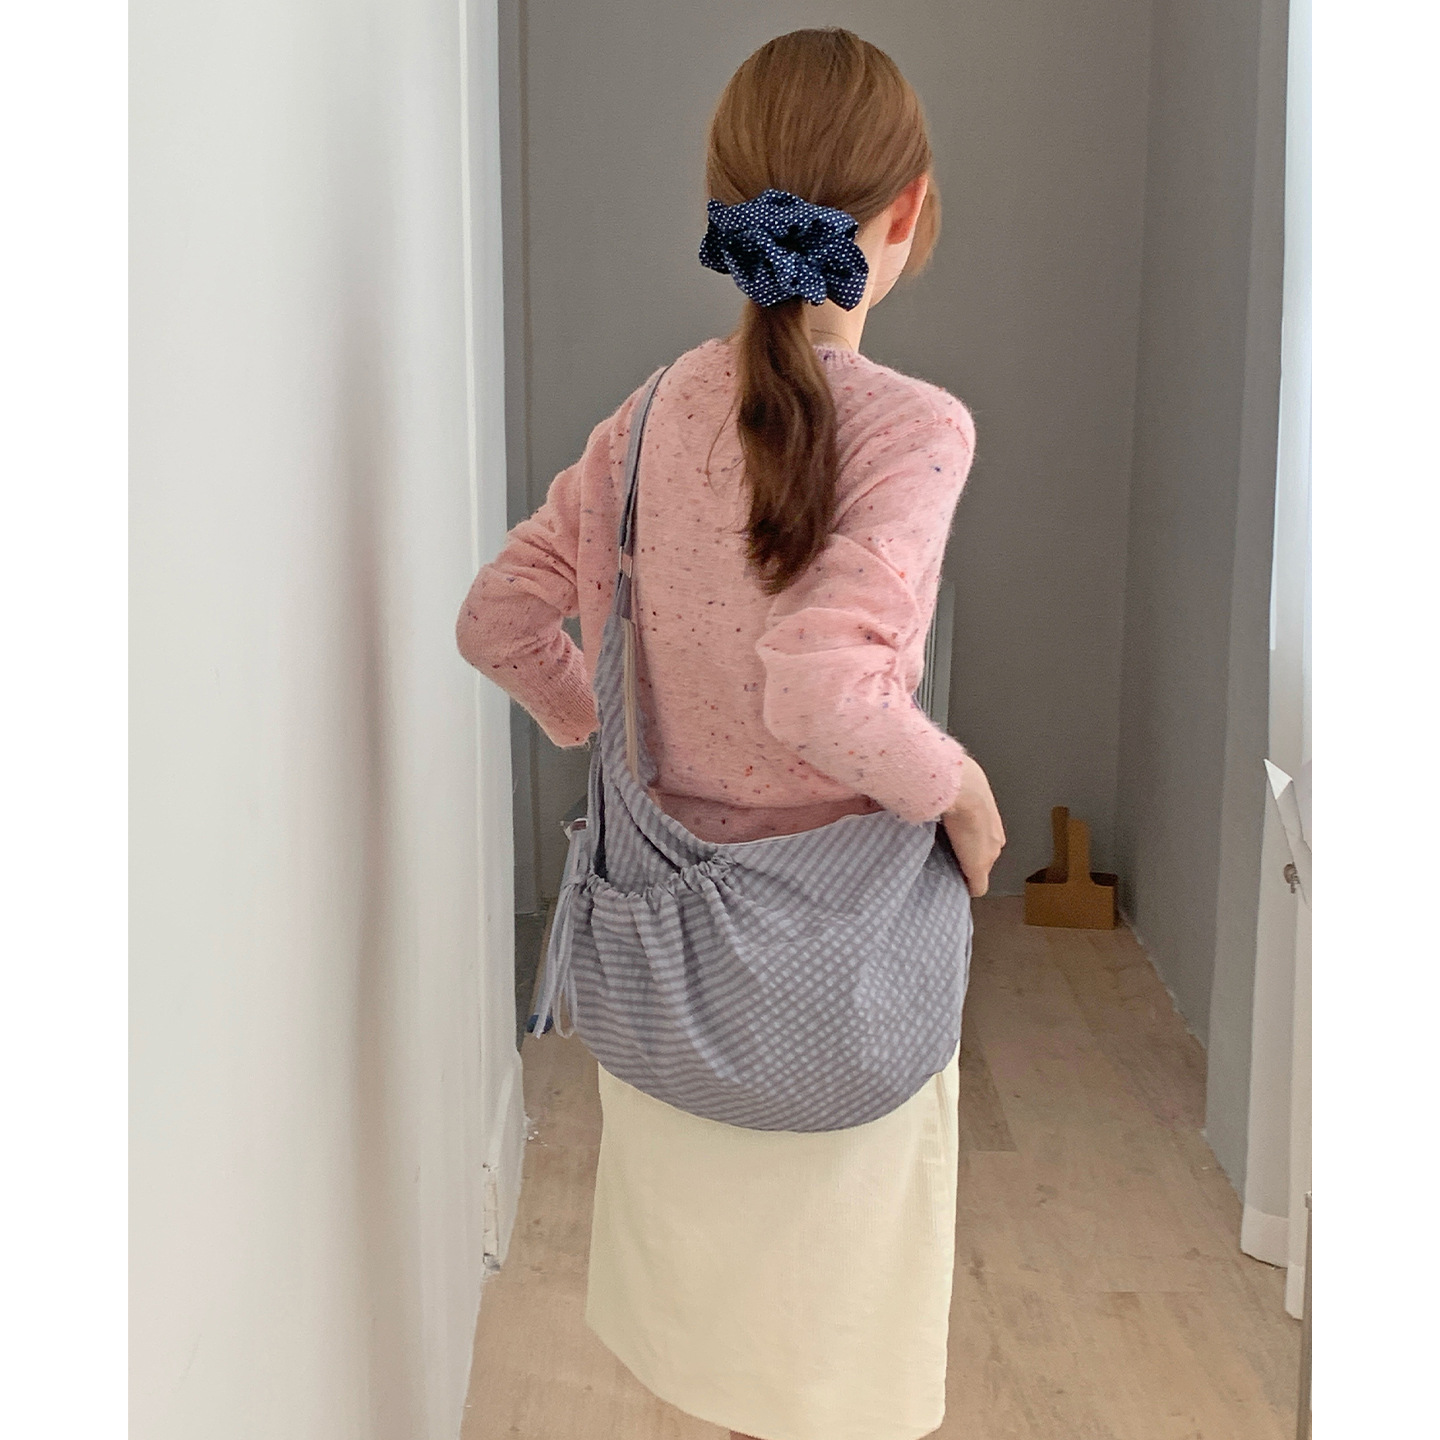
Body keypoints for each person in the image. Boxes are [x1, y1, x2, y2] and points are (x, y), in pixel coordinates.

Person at [457, 26, 1005, 1440]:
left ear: (727, 207)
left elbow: (499, 619)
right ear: (908, 211)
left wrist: (596, 730)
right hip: (844, 984)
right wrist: (961, 791)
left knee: (700, 1344)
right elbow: (825, 691)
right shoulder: (912, 430)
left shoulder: (650, 419)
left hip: (665, 977)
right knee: (833, 1356)